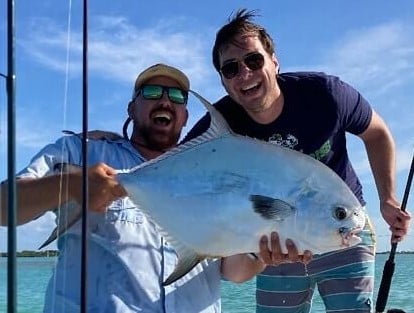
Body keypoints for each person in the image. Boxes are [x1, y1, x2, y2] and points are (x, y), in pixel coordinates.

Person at [182, 9, 411, 313]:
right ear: (223, 81)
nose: (245, 74)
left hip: (340, 230)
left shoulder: (324, 95)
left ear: (274, 61)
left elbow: (377, 133)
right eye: (231, 69)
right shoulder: (221, 124)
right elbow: (171, 164)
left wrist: (388, 198)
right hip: (277, 246)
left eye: (253, 60)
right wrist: (110, 143)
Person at [0, 64, 223, 312]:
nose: (164, 101)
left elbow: (235, 268)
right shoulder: (81, 151)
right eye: (151, 92)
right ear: (131, 108)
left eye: (177, 96)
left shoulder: (212, 175)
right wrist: (72, 185)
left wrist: (261, 253)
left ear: (185, 116)